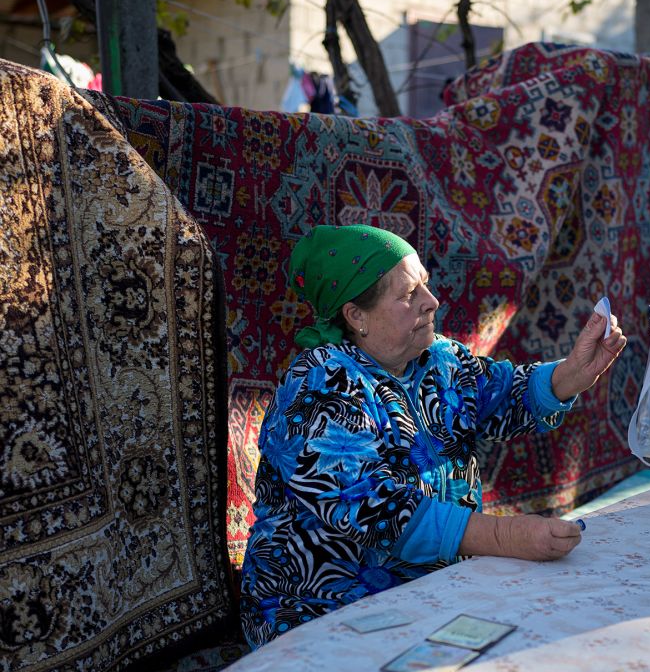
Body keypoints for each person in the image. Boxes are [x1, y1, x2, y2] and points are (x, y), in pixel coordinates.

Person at [240, 224, 627, 648]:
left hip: (427, 588)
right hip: (324, 607)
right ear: (356, 316)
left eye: (425, 284)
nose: (432, 302)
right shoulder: (319, 386)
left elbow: (503, 393)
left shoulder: (438, 360)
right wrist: (507, 537)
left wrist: (574, 373)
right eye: (409, 295)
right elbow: (376, 511)